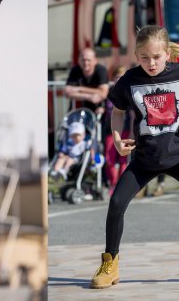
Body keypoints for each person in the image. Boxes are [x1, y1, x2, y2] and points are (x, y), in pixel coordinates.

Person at [90, 25, 179, 289]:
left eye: (156, 57)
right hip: (144, 159)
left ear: (167, 54)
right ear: (137, 56)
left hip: (177, 155)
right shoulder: (129, 81)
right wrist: (117, 138)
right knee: (116, 203)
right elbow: (117, 112)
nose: (151, 63)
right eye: (144, 58)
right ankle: (110, 264)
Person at [103, 66, 134, 196]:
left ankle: (122, 186)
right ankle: (113, 183)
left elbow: (133, 115)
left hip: (125, 130)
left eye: (121, 77)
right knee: (109, 159)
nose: (118, 80)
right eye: (116, 77)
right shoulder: (109, 93)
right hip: (110, 131)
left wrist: (133, 133)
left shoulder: (128, 93)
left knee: (123, 159)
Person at [65, 48, 109, 114]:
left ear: (95, 61)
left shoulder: (101, 70)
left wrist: (79, 89)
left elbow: (103, 93)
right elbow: (67, 92)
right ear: (79, 60)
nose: (86, 63)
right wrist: (89, 97)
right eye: (83, 60)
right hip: (78, 110)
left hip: (98, 110)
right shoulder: (75, 70)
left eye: (88, 60)